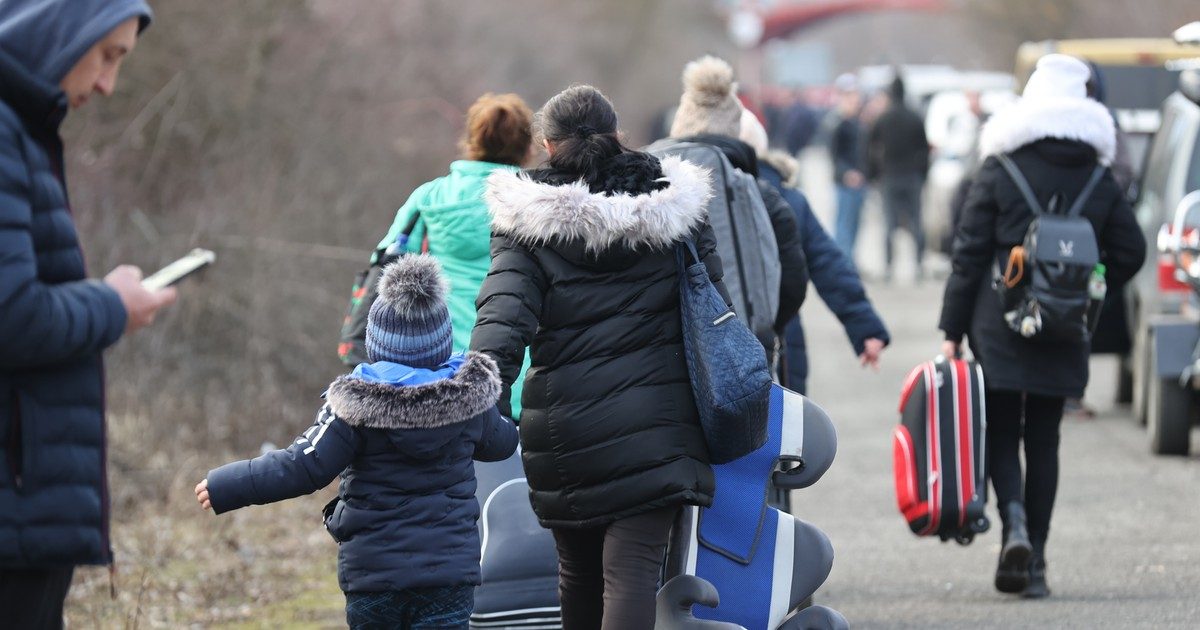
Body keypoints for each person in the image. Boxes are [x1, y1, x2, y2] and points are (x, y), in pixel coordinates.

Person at [470, 85, 719, 629]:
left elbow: (501, 324)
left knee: (578, 575)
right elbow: (714, 306)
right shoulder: (677, 208)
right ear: (617, 134)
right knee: (632, 571)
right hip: (661, 423)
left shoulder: (524, 223)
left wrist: (475, 408)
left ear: (546, 145)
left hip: (566, 428)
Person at [196, 256, 518, 629]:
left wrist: (226, 484)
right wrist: (490, 391)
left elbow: (301, 466)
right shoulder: (470, 403)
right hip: (448, 577)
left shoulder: (352, 407)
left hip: (374, 577)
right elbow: (504, 443)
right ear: (444, 341)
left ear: (375, 342)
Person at [938, 54, 1146, 599]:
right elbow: (1132, 249)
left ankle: (1015, 528)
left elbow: (968, 253)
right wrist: (1090, 285)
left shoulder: (1000, 167)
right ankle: (1038, 568)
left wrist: (952, 328)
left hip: (998, 321)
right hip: (1065, 322)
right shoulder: (1099, 176)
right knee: (1046, 437)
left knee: (1002, 429)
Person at [0, 2, 174, 627]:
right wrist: (113, 304)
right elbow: (11, 314)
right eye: (108, 56)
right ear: (56, 31)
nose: (108, 84)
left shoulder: (20, 130)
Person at [375, 92, 534, 416]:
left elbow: (384, 267)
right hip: (516, 379)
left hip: (437, 372)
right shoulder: (533, 203)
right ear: (526, 146)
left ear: (471, 139)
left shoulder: (429, 197)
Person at [740, 110, 890, 395]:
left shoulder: (699, 197)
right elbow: (828, 263)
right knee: (785, 430)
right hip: (781, 343)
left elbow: (826, 261)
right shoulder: (787, 198)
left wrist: (865, 325)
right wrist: (865, 326)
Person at [666, 55, 809, 352]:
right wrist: (770, 329)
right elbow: (792, 279)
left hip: (668, 354)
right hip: (746, 349)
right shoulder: (760, 193)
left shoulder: (652, 187)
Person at [868, 73, 931, 281]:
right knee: (916, 222)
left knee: (888, 223)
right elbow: (924, 149)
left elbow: (870, 146)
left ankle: (888, 267)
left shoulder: (883, 118)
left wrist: (874, 174)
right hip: (912, 176)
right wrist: (923, 174)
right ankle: (919, 265)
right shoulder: (915, 117)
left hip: (890, 176)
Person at [829, 73, 869, 259]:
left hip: (860, 181)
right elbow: (835, 155)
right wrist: (846, 173)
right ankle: (844, 262)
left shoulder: (859, 123)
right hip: (845, 182)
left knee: (855, 225)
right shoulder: (838, 123)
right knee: (844, 225)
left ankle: (851, 260)